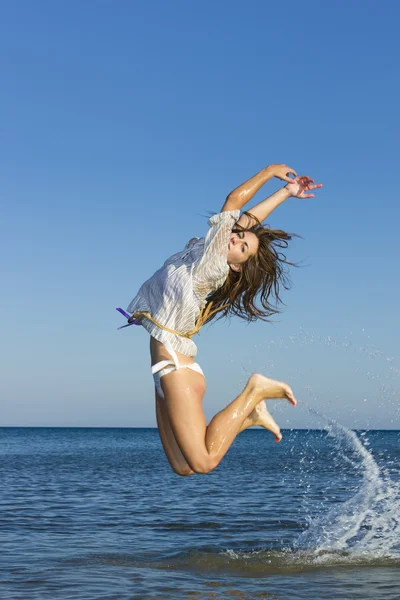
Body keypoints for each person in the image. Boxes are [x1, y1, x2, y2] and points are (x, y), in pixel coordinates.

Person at [118, 164, 322, 476]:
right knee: (182, 467)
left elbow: (233, 202)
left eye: (242, 248)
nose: (236, 240)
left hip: (177, 367)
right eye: (237, 236)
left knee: (204, 462)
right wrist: (286, 192)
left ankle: (255, 390)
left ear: (238, 266)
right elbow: (247, 221)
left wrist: (270, 172)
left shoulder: (213, 266)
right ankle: (248, 416)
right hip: (163, 370)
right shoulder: (203, 248)